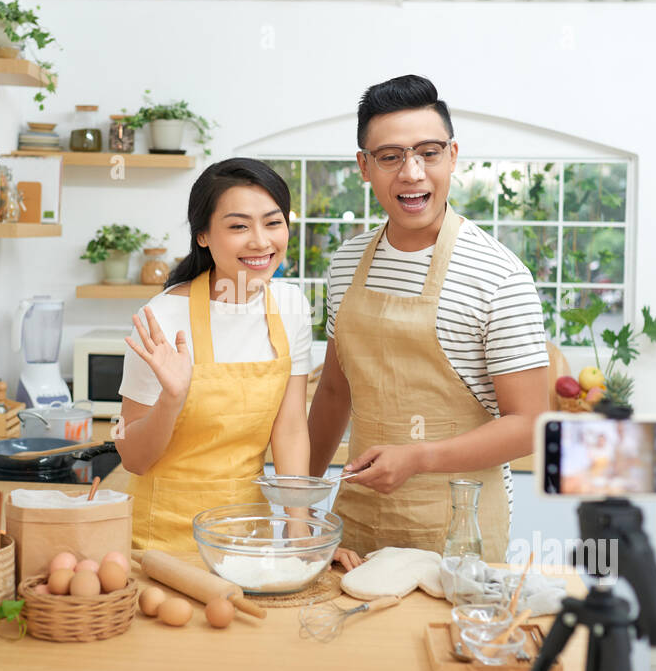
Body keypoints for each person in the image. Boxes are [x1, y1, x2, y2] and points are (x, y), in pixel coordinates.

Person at [308, 75, 551, 570]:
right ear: (365, 166)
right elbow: (335, 391)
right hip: (356, 519)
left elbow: (529, 426)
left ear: (453, 156)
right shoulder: (347, 261)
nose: (412, 173)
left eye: (428, 153)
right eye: (391, 156)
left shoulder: (498, 275)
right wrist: (300, 503)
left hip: (459, 530)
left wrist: (417, 457)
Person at [116, 158, 314, 551]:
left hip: (247, 539)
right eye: (239, 226)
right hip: (162, 543)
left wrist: (299, 527)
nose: (261, 241)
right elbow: (132, 458)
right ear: (203, 235)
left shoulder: (291, 306)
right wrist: (171, 400)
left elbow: (289, 430)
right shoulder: (161, 318)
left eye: (273, 223)